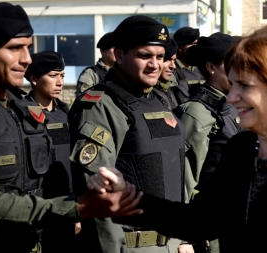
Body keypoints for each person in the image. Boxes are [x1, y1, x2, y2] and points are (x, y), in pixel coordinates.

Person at [91, 24, 267, 252]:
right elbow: (199, 220)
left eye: (245, 86)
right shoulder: (242, 149)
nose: (232, 97)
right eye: (233, 84)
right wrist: (128, 196)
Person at [0, 2, 142, 253]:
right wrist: (77, 207)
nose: (27, 59)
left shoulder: (21, 110)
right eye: (14, 48)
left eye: (28, 48)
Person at [68, 15, 193, 253]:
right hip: (130, 246)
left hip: (174, 243)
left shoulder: (159, 98)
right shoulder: (101, 105)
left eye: (159, 57)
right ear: (119, 55)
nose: (155, 64)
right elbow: (99, 198)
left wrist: (185, 235)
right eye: (144, 55)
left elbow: (174, 169)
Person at [176, 32, 242, 253]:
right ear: (211, 67)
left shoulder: (231, 103)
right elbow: (185, 178)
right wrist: (186, 235)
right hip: (211, 224)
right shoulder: (197, 112)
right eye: (230, 65)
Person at [24, 51, 81, 251]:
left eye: (62, 76)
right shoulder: (22, 116)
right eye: (52, 75)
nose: (59, 82)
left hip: (69, 208)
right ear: (33, 78)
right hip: (38, 210)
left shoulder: (67, 114)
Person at [154, 38, 189, 110]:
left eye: (174, 60)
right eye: (168, 60)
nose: (173, 66)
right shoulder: (147, 95)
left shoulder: (172, 90)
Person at [76, 32, 115, 96]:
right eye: (113, 48)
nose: (117, 52)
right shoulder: (91, 74)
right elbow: (85, 100)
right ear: (103, 51)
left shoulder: (124, 72)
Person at [173, 27, 205, 96]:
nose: (196, 47)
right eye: (193, 44)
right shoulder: (172, 69)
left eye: (197, 44)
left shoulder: (202, 68)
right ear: (179, 48)